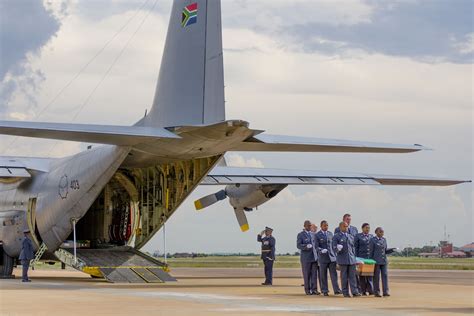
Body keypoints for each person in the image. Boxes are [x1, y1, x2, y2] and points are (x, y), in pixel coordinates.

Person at [333, 222, 360, 297]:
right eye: (344, 226)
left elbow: (353, 248)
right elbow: (334, 248)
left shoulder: (350, 236)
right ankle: (345, 292)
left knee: (353, 277)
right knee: (344, 277)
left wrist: (355, 258)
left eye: (347, 226)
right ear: (340, 227)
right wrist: (337, 248)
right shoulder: (336, 236)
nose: (346, 228)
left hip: (351, 259)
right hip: (343, 259)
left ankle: (354, 291)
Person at [314, 220, 342, 296]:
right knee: (323, 275)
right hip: (323, 258)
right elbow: (316, 246)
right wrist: (321, 250)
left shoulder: (330, 234)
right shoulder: (317, 235)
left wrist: (336, 252)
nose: (326, 227)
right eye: (324, 225)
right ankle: (324, 290)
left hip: (332, 258)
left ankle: (336, 290)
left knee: (334, 275)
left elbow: (333, 245)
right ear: (321, 226)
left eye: (327, 225)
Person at [297, 220, 319, 295]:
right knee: (307, 275)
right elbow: (298, 245)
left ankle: (314, 290)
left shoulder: (313, 234)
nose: (310, 227)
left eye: (310, 225)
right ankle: (307, 290)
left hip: (314, 257)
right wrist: (305, 246)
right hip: (306, 258)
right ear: (305, 226)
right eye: (308, 225)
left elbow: (316, 245)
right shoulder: (301, 235)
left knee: (314, 275)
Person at [370, 227, 390, 297]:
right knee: (376, 277)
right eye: (380, 231)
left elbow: (385, 250)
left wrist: (391, 251)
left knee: (385, 276)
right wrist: (371, 261)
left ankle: (385, 291)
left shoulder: (384, 240)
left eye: (383, 232)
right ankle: (377, 292)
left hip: (384, 261)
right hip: (376, 261)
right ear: (376, 232)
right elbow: (371, 252)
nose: (382, 233)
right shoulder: (372, 240)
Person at [354, 223, 374, 295]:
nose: (367, 229)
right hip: (361, 258)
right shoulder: (358, 236)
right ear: (362, 228)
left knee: (369, 274)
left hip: (369, 259)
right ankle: (363, 291)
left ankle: (371, 290)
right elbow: (355, 247)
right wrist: (356, 258)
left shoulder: (371, 236)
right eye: (366, 228)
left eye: (368, 228)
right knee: (362, 276)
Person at [309, 223, 321, 294]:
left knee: (318, 275)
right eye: (314, 227)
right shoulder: (309, 235)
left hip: (319, 258)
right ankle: (311, 288)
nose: (315, 229)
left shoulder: (318, 235)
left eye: (316, 227)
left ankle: (315, 289)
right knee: (311, 274)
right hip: (310, 258)